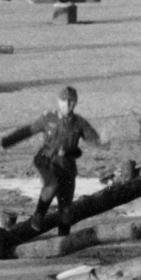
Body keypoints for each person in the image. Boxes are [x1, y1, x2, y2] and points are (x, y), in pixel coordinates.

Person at [26, 86, 102, 236]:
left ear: (75, 103)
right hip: (49, 163)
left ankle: (63, 242)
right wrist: (4, 142)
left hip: (68, 168)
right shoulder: (49, 118)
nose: (67, 105)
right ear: (59, 102)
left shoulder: (79, 122)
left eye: (71, 102)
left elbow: (93, 138)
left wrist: (103, 142)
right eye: (64, 101)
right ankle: (38, 215)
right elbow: (27, 131)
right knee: (51, 186)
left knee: (66, 210)